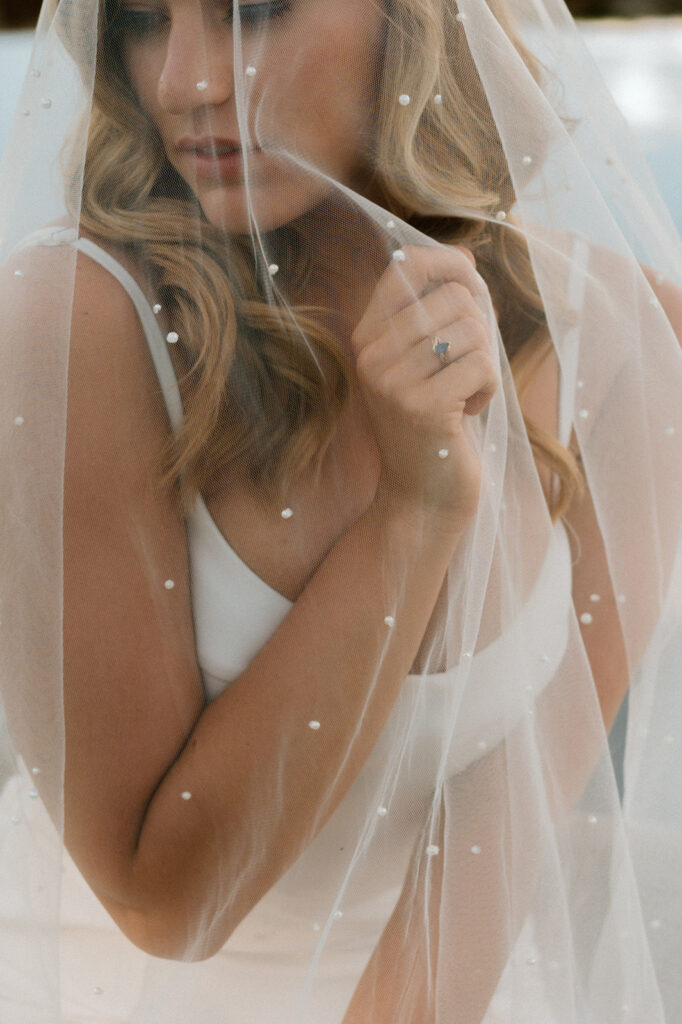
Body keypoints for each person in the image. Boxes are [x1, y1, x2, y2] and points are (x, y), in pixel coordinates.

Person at [1, 0, 681, 1021]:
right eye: (143, 20)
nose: (188, 79)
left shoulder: (630, 344)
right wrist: (414, 514)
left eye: (252, 11)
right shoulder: (80, 324)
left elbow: (476, 894)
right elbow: (168, 899)